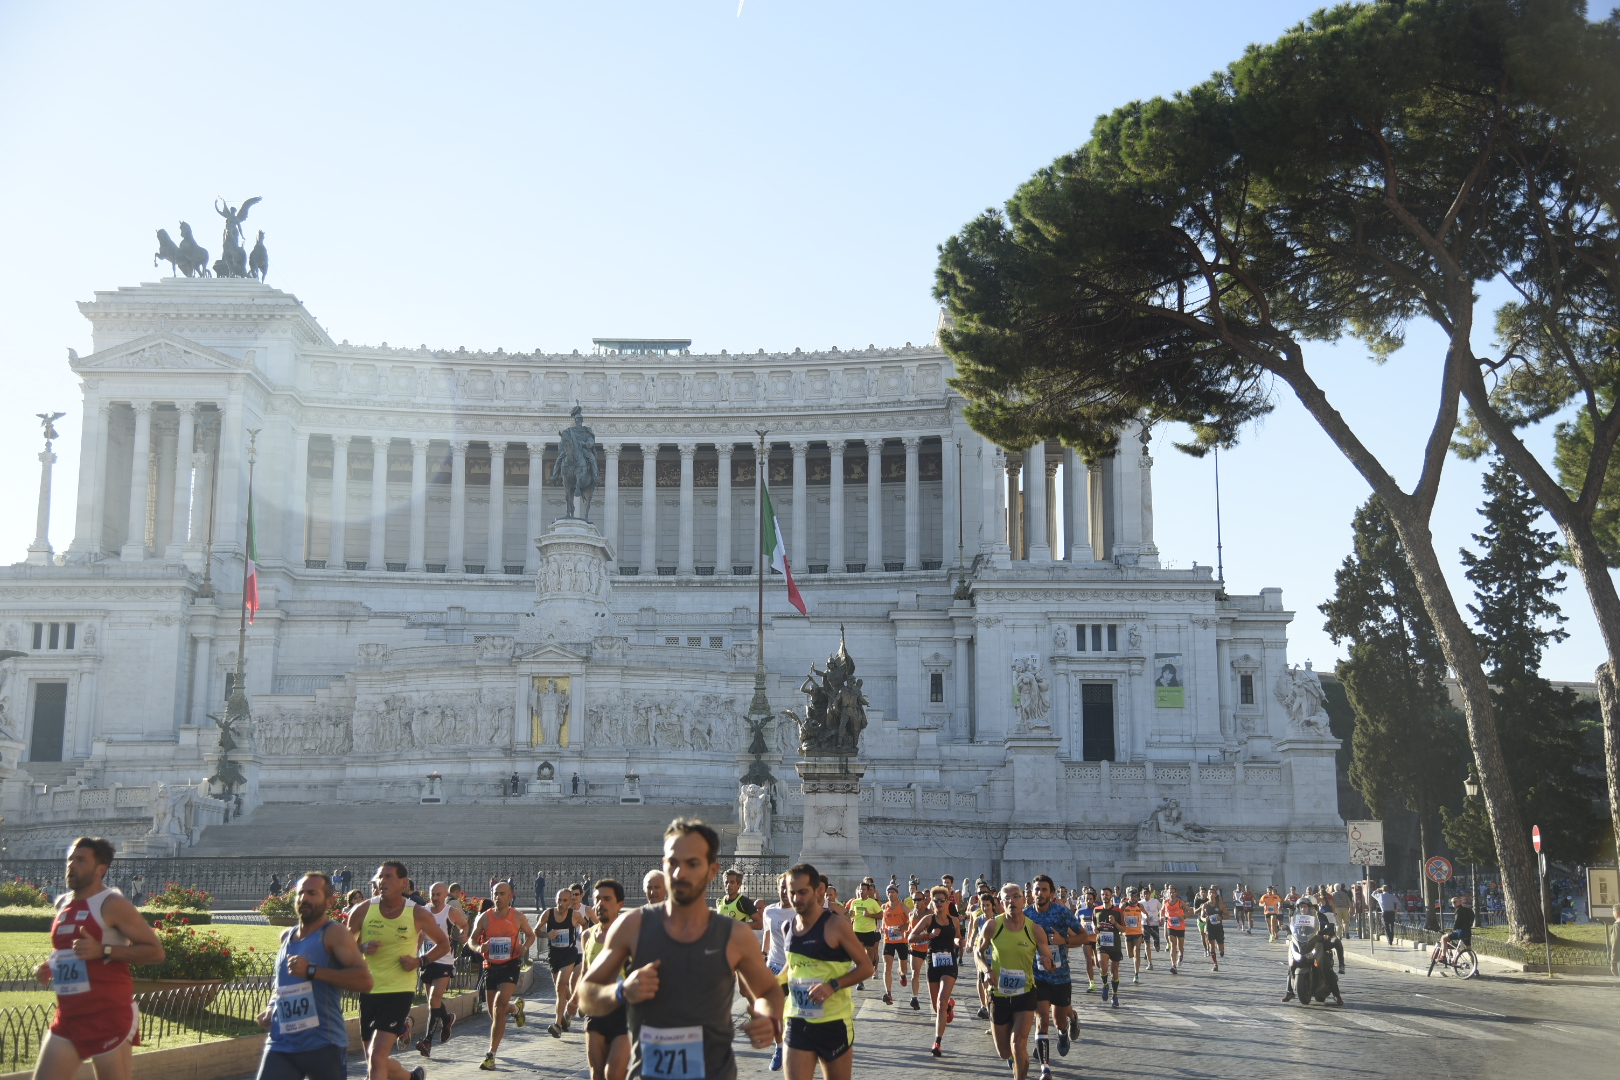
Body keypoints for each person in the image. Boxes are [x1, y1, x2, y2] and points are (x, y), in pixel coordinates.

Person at [578, 819, 784, 1080]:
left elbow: (769, 991)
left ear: (712, 870)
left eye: (692, 863)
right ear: (665, 865)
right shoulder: (632, 925)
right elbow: (587, 992)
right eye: (674, 862)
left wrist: (767, 1016)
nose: (680, 872)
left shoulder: (734, 934)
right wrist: (622, 990)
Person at [33, 837, 166, 1080]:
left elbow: (155, 951)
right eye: (70, 859)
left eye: (80, 860)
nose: (71, 865)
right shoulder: (63, 903)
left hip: (108, 1016)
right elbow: (69, 949)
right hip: (69, 1017)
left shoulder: (112, 904)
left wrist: (104, 951)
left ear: (100, 869)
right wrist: (52, 965)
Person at [255, 873, 372, 1080]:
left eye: (312, 893)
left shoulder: (334, 933)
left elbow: (365, 981)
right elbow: (284, 984)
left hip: (323, 1045)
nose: (304, 898)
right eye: (300, 893)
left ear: (330, 901)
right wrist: (272, 1006)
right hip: (282, 1043)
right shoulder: (287, 936)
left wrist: (312, 970)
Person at [347, 861, 448, 1080]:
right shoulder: (363, 910)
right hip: (369, 989)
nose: (382, 881)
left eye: (388, 877)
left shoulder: (416, 913)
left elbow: (443, 944)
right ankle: (412, 1078)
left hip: (399, 991)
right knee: (374, 1059)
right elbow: (344, 945)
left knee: (376, 1058)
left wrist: (419, 962)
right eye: (380, 877)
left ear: (403, 883)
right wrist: (362, 947)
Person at [778, 863, 872, 1080]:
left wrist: (832, 986)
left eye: (802, 892)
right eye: (792, 892)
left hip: (833, 1023)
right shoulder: (787, 927)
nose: (796, 898)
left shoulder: (836, 925)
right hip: (797, 1020)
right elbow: (791, 968)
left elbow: (866, 967)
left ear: (817, 890)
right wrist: (767, 988)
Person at [979, 883, 1056, 1080]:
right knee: (1005, 1052)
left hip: (1025, 993)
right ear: (1000, 903)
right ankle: (1014, 1060)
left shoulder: (1034, 929)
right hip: (999, 995)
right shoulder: (993, 926)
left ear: (1024, 900)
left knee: (1019, 1044)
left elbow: (1050, 963)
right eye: (1007, 898)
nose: (1011, 901)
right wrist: (987, 970)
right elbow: (979, 953)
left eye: (1016, 897)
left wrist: (1049, 964)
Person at [470, 881, 533, 1070]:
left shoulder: (518, 916)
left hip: (510, 965)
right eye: (495, 893)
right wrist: (479, 948)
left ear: (510, 896)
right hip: (490, 967)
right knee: (494, 1012)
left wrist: (525, 947)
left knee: (498, 1007)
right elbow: (472, 940)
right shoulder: (485, 917)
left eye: (502, 894)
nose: (498, 897)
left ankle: (491, 1054)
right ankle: (515, 1008)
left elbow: (531, 935)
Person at [1024, 875, 1082, 1076]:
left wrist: (1063, 940)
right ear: (1032, 893)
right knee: (1041, 1018)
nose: (1040, 893)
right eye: (1037, 889)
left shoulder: (1061, 912)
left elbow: (1084, 936)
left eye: (1044, 890)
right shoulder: (1025, 915)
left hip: (1060, 976)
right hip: (1037, 976)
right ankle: (1045, 1068)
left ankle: (1067, 1026)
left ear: (1051, 893)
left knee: (1059, 1019)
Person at [573, 880, 629, 1080]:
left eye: (607, 899)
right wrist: (574, 999)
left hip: (624, 1013)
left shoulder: (630, 934)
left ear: (620, 904)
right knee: (596, 1074)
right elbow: (585, 972)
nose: (600, 904)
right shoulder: (587, 935)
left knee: (613, 1073)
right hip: (595, 1011)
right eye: (597, 899)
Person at [415, 883, 468, 1056]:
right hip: (426, 960)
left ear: (446, 896)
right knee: (433, 1001)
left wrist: (464, 933)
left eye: (438, 894)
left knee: (434, 998)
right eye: (432, 894)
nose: (435, 898)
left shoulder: (451, 912)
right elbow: (418, 935)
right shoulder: (424, 911)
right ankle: (447, 1019)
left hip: (444, 961)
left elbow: (464, 924)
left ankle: (427, 1041)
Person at [909, 886, 962, 1058]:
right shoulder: (928, 919)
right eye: (936, 900)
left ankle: (937, 1042)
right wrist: (928, 936)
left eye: (942, 900)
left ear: (947, 902)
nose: (939, 903)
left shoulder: (954, 921)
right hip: (933, 963)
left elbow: (957, 937)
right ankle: (949, 1006)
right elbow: (910, 937)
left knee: (941, 1000)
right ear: (931, 902)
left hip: (949, 964)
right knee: (937, 1007)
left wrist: (960, 942)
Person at [539, 888, 588, 1038]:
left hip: (569, 954)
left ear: (570, 902)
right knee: (560, 988)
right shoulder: (548, 914)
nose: (561, 903)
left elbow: (585, 924)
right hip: (554, 955)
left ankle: (557, 1025)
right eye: (559, 900)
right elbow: (536, 931)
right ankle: (573, 1006)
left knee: (561, 985)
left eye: (564, 900)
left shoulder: (575, 915)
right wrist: (546, 934)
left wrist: (583, 937)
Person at [760, 874, 795, 1072]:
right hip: (774, 967)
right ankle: (779, 1047)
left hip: (796, 969)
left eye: (788, 887)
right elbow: (767, 934)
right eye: (782, 887)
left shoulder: (801, 912)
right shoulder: (769, 911)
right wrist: (763, 956)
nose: (784, 891)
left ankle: (801, 1046)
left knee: (797, 1014)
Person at [842, 880, 882, 993]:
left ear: (868, 891)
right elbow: (850, 915)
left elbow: (881, 915)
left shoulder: (872, 902)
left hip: (869, 932)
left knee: (869, 958)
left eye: (863, 889)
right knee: (858, 956)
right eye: (860, 889)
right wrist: (849, 915)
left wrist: (870, 915)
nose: (861, 891)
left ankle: (869, 967)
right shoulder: (854, 902)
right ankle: (860, 981)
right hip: (857, 931)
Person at [878, 885, 911, 1005]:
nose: (890, 894)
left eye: (892, 892)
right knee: (887, 966)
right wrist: (882, 928)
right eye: (888, 892)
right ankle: (889, 993)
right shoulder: (884, 906)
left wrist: (901, 928)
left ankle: (902, 974)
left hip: (902, 940)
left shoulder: (903, 906)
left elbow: (911, 922)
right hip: (888, 941)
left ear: (897, 894)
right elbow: (883, 920)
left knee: (904, 968)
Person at [1120, 887, 1148, 983]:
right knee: (1130, 955)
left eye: (1136, 897)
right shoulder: (1125, 905)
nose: (1134, 899)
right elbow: (1118, 913)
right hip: (1127, 933)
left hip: (1138, 932)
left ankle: (1136, 974)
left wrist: (1147, 919)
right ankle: (1135, 962)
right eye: (1132, 897)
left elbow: (1145, 913)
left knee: (1137, 951)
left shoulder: (1140, 906)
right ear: (1128, 897)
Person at [1198, 888, 1227, 971]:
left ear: (1215, 895)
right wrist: (1205, 919)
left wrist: (1221, 917)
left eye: (1213, 893)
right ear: (1208, 895)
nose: (1211, 894)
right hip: (1209, 928)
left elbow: (1227, 915)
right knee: (1211, 946)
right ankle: (1215, 964)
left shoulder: (1220, 905)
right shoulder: (1205, 905)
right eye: (1210, 893)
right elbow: (1201, 917)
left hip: (1218, 928)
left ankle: (1221, 950)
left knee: (1220, 947)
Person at [1161, 886, 1188, 975]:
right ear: (1167, 893)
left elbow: (1191, 911)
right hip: (1170, 926)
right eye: (1170, 892)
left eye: (1173, 892)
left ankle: (1181, 955)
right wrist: (1161, 918)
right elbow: (1162, 911)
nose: (1172, 894)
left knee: (1180, 947)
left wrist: (1184, 917)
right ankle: (1173, 966)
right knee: (1173, 945)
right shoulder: (1166, 902)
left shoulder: (1180, 902)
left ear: (1176, 893)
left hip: (1180, 927)